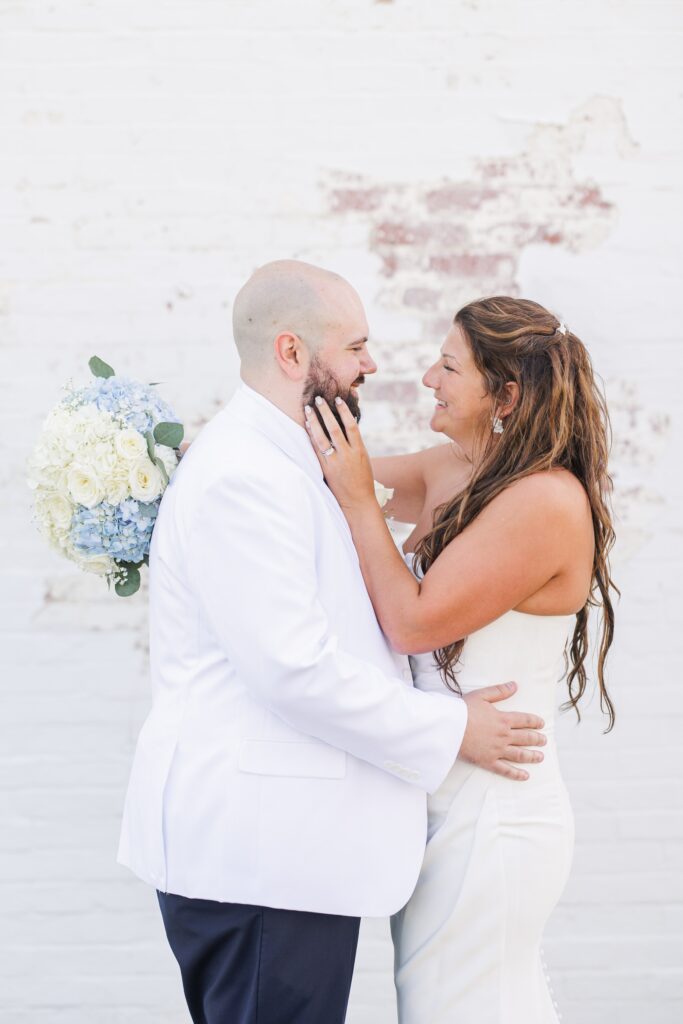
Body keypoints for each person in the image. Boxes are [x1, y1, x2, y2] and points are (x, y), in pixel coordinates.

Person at [117, 263, 547, 1024]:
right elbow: (295, 671)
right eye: (355, 347)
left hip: (287, 861)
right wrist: (452, 729)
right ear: (291, 352)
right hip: (260, 865)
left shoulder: (296, 462)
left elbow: (353, 631)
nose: (373, 366)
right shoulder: (244, 478)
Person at [304, 295, 616, 1023]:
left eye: (447, 367)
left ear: (505, 395)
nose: (425, 379)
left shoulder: (543, 500)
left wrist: (358, 504)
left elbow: (412, 623)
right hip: (441, 796)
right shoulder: (451, 468)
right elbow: (322, 475)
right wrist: (193, 455)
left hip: (494, 811)